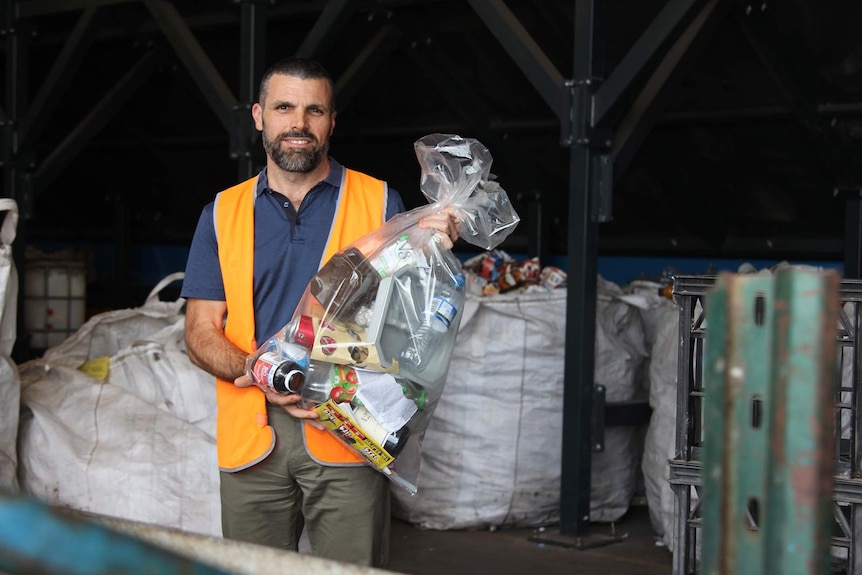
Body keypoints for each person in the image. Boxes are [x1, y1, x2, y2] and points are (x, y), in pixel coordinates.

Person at [180, 56, 459, 568]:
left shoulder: (379, 201)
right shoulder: (222, 212)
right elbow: (199, 331)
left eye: (315, 110)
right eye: (285, 107)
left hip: (348, 428)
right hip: (251, 433)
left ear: (332, 122)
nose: (299, 124)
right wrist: (261, 371)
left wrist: (432, 245)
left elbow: (405, 320)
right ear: (259, 116)